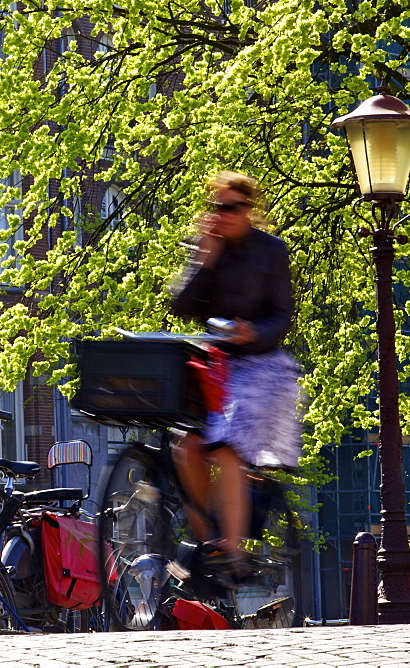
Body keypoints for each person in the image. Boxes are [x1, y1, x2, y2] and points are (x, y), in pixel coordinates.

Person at [171, 170, 301, 579]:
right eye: (216, 207)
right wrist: (203, 262)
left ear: (249, 210)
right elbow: (181, 307)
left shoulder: (271, 251)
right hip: (219, 364)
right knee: (186, 447)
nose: (222, 214)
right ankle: (206, 538)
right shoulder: (209, 248)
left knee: (227, 446)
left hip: (262, 365)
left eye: (231, 207)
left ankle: (234, 548)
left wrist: (253, 333)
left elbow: (282, 315)